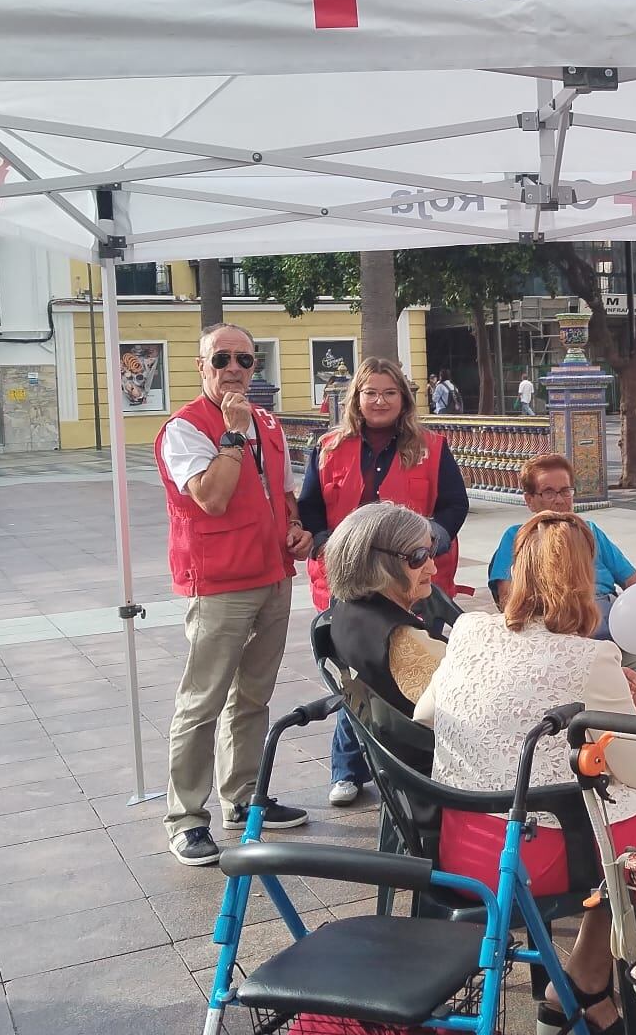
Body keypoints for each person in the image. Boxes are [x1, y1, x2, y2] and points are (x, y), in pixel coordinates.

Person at [415, 512, 636, 1035]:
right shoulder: (590, 657)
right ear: (585, 579)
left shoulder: (469, 631)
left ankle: (583, 982)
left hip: (462, 842)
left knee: (612, 822)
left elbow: (425, 714)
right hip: (540, 854)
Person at [156, 323, 313, 866]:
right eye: (220, 358)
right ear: (201, 366)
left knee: (252, 697)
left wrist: (297, 529)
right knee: (202, 702)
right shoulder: (185, 428)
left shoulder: (267, 423)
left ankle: (243, 796)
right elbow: (212, 498)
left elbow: (283, 492)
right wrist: (232, 435)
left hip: (272, 575)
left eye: (244, 359)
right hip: (220, 581)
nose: (233, 369)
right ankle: (185, 818)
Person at [299, 358, 467, 808]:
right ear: (356, 398)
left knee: (412, 671)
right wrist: (323, 542)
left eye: (389, 392)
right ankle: (347, 768)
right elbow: (310, 506)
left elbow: (454, 504)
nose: (379, 401)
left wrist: (431, 540)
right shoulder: (329, 447)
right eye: (370, 392)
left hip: (410, 579)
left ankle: (415, 760)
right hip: (349, 580)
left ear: (403, 399)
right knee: (356, 673)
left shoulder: (431, 447)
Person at [321, 502, 446, 802]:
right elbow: (479, 711)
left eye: (431, 552)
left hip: (396, 768)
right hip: (434, 778)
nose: (432, 567)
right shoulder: (404, 641)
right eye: (418, 557)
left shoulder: (344, 611)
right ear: (378, 564)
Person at [488, 454, 636, 637]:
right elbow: (507, 595)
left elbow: (632, 581)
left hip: (605, 616)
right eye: (549, 493)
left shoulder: (589, 531)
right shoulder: (518, 536)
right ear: (529, 500)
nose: (559, 500)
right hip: (549, 620)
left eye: (565, 491)